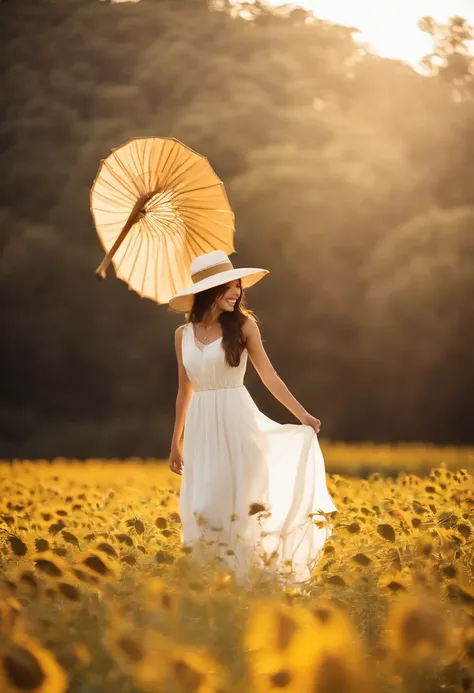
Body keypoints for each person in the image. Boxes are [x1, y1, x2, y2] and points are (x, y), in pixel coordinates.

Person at [167, 250, 337, 588]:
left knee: (239, 508)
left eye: (237, 286)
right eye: (228, 287)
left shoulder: (243, 326)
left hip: (237, 423)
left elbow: (269, 375)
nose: (236, 292)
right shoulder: (181, 335)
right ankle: (209, 588)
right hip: (201, 429)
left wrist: (301, 413)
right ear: (208, 291)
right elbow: (184, 391)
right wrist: (176, 442)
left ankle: (246, 588)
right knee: (202, 507)